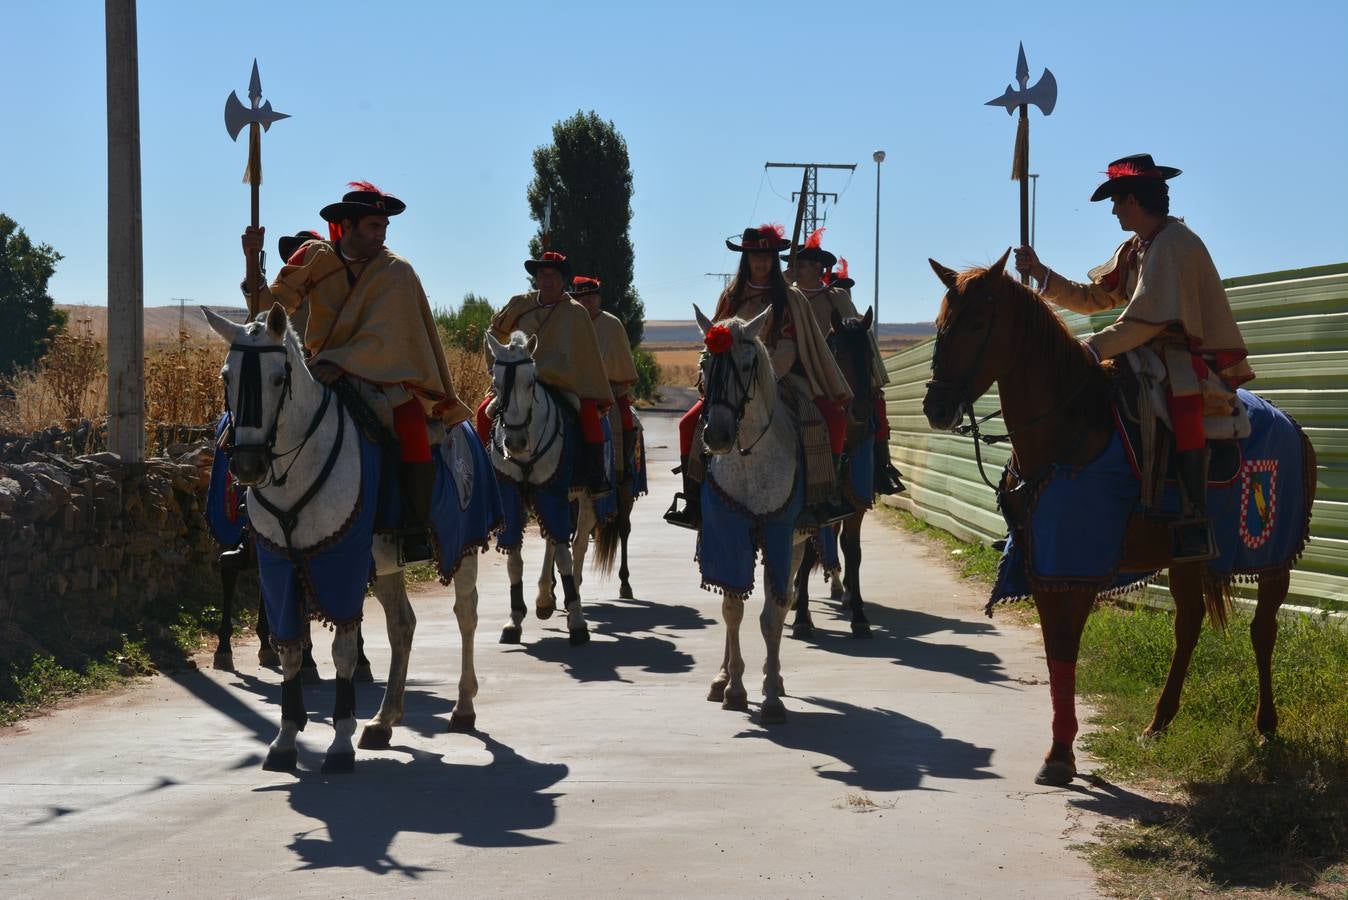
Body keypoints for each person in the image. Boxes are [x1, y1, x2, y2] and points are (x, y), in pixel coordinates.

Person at [1015, 154, 1253, 560]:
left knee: (1181, 398)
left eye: (1116, 201)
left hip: (1183, 353)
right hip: (1143, 348)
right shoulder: (1137, 246)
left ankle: (1194, 515)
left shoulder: (1175, 244)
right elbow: (1097, 299)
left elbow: (1145, 319)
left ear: (1134, 200)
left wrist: (1092, 349)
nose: (1112, 210)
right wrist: (1042, 274)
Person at [241, 181, 471, 563]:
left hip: (380, 378)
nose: (381, 235)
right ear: (346, 227)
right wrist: (252, 260)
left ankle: (414, 529)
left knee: (412, 425)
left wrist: (344, 361)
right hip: (319, 371)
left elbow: (393, 340)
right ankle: (259, 524)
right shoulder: (314, 258)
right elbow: (268, 310)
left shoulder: (397, 271)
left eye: (384, 228)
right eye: (372, 227)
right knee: (258, 420)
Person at [665, 224, 853, 530]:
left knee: (832, 418)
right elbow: (715, 341)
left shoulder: (790, 298)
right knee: (689, 424)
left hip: (784, 378)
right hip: (732, 381)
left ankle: (823, 498)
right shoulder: (730, 297)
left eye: (767, 256)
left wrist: (766, 377)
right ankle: (694, 502)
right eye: (755, 256)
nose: (762, 262)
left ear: (774, 258)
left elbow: (790, 346)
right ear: (746, 259)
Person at [477, 251, 615, 496]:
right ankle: (481, 472)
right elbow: (495, 333)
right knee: (483, 414)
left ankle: (594, 477)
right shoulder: (519, 304)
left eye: (553, 275)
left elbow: (587, 357)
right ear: (536, 279)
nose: (547, 280)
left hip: (562, 383)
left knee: (590, 418)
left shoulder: (576, 312)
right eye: (542, 275)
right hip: (519, 381)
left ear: (563, 280)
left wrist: (591, 390)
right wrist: (495, 368)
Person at [789, 234, 903, 496]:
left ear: (818, 269)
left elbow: (856, 336)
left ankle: (879, 467)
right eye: (795, 265)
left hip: (829, 372)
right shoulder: (787, 295)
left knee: (872, 408)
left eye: (802, 265)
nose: (796, 270)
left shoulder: (836, 297)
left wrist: (869, 380)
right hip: (793, 370)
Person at [571, 275, 640, 485]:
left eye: (591, 296)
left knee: (626, 417)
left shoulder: (612, 324)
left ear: (599, 299)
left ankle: (624, 467)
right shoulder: (568, 323)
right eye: (581, 297)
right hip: (573, 388)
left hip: (609, 389)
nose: (587, 301)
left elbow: (621, 362)